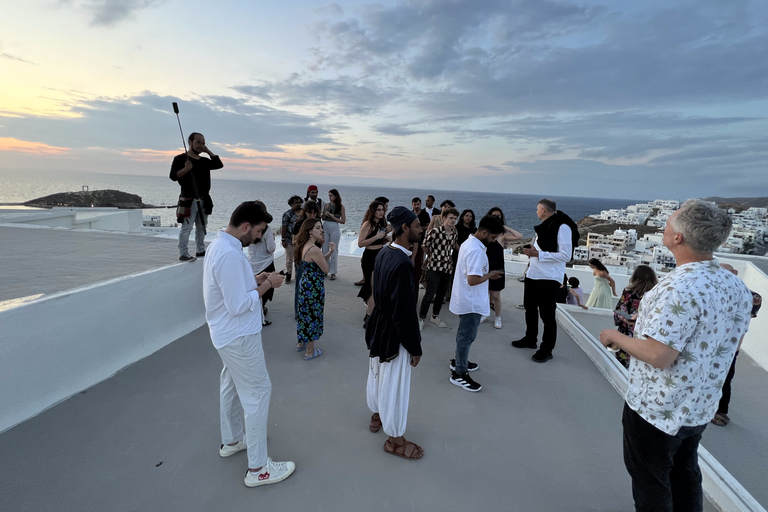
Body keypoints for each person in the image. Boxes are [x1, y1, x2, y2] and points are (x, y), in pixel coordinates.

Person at [599, 199, 752, 512]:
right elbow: (732, 343)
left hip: (657, 408)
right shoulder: (735, 285)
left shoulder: (677, 288)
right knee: (685, 474)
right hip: (699, 406)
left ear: (678, 238)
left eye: (668, 224)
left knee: (651, 482)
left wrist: (614, 335)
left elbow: (658, 355)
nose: (664, 228)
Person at [202, 201, 294, 487]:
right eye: (259, 231)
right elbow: (238, 304)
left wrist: (258, 277)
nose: (259, 237)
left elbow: (234, 286)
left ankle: (232, 441)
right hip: (239, 336)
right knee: (257, 391)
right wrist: (269, 286)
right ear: (245, 226)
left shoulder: (222, 247)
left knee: (230, 384)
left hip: (228, 335)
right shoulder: (228, 254)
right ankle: (258, 470)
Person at [365, 206, 424, 460]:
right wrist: (415, 346)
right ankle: (395, 439)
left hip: (377, 323)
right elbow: (405, 312)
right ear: (404, 228)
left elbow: (376, 289)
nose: (421, 230)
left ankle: (377, 414)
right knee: (395, 384)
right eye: (417, 226)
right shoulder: (402, 263)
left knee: (377, 374)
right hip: (393, 332)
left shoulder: (384, 253)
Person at [512, 199, 580, 363]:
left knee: (547, 315)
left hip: (549, 278)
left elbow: (566, 255)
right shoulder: (544, 227)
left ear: (543, 210)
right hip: (533, 274)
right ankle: (530, 339)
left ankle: (546, 349)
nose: (536, 212)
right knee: (530, 308)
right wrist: (533, 253)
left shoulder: (562, 227)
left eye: (537, 209)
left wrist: (538, 255)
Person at [449, 215, 506, 392]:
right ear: (483, 232)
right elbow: (473, 280)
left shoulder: (469, 242)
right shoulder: (476, 251)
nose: (494, 240)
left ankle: (459, 361)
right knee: (467, 336)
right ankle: (459, 373)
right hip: (471, 301)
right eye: (493, 237)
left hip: (465, 298)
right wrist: (491, 274)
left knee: (463, 334)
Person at [711, 263, 761, 427]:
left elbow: (752, 310)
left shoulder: (750, 296)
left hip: (730, 349)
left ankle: (721, 412)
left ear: (736, 273)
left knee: (725, 379)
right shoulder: (716, 292)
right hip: (713, 346)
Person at [170, 132, 223, 262]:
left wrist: (208, 151)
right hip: (188, 198)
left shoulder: (205, 161)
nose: (201, 145)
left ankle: (201, 250)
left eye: (203, 143)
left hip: (204, 198)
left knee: (202, 226)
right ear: (190, 142)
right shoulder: (180, 159)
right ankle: (183, 253)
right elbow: (173, 176)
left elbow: (218, 164)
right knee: (187, 227)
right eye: (198, 142)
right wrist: (186, 169)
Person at [295, 218, 335, 360]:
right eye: (318, 228)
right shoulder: (315, 249)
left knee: (304, 313)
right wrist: (329, 256)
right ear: (310, 231)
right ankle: (310, 351)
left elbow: (316, 261)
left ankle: (301, 343)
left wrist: (329, 253)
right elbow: (325, 269)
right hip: (314, 287)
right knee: (313, 316)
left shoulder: (303, 245)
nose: (322, 230)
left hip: (305, 284)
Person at [419, 207, 459, 330]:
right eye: (451, 218)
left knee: (441, 294)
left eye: (455, 219)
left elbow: (451, 247)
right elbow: (424, 245)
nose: (453, 220)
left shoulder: (453, 234)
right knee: (429, 294)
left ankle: (435, 316)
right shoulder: (435, 231)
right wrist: (432, 255)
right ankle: (422, 318)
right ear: (444, 218)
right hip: (435, 267)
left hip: (447, 268)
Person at [484, 207, 523, 328]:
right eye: (494, 215)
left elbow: (519, 236)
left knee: (495, 295)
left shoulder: (502, 235)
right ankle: (484, 313)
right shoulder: (485, 233)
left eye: (498, 216)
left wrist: (506, 228)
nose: (496, 217)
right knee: (485, 293)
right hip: (485, 267)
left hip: (497, 267)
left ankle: (497, 317)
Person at [612, 265, 658, 369]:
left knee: (623, 364)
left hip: (627, 332)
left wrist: (624, 319)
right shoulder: (656, 294)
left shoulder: (629, 292)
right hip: (645, 333)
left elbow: (620, 310)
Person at [358, 201, 389, 327]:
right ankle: (369, 317)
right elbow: (361, 243)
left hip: (380, 255)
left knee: (376, 287)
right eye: (379, 210)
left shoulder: (380, 223)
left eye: (382, 209)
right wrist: (377, 237)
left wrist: (386, 238)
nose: (381, 212)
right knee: (372, 288)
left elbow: (379, 238)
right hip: (370, 257)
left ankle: (370, 314)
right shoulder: (368, 224)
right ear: (373, 211)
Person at [247, 201, 277, 326]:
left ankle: (256, 314)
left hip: (252, 264)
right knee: (265, 292)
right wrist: (273, 239)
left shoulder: (249, 228)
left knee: (254, 291)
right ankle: (261, 318)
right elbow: (271, 248)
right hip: (266, 264)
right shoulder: (267, 230)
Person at [292, 201, 320, 319]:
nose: (312, 215)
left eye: (314, 213)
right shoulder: (299, 224)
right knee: (300, 284)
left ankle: (312, 309)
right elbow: (293, 241)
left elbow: (321, 239)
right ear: (305, 212)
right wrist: (306, 240)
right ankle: (298, 312)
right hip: (301, 256)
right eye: (310, 213)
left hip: (315, 257)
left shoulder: (318, 223)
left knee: (314, 285)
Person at [322, 189, 345, 280]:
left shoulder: (341, 207)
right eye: (329, 195)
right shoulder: (326, 205)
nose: (329, 197)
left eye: (331, 195)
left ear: (336, 196)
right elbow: (323, 218)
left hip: (334, 226)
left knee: (334, 250)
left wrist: (333, 216)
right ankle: (325, 269)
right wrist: (325, 215)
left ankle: (333, 272)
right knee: (324, 249)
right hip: (326, 225)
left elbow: (343, 221)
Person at [280, 196, 303, 283]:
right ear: (291, 204)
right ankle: (288, 275)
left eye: (299, 202)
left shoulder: (304, 214)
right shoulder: (287, 214)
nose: (298, 204)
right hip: (289, 240)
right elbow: (284, 227)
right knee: (289, 259)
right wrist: (283, 239)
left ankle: (299, 275)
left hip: (301, 241)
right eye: (295, 203)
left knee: (300, 259)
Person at [411, 197, 431, 284]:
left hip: (421, 241)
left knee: (419, 260)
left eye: (418, 204)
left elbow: (428, 227)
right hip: (410, 242)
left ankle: (419, 279)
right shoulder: (410, 214)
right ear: (412, 204)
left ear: (420, 204)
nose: (416, 206)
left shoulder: (425, 214)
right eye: (415, 204)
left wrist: (419, 228)